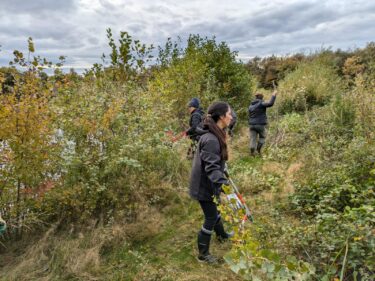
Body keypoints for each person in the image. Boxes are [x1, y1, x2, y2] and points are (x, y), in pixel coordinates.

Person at [189, 101, 234, 263]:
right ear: (221, 117)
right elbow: (212, 169)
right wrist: (225, 187)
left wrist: (224, 171)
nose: (231, 117)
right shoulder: (211, 139)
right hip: (204, 186)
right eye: (229, 114)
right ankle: (203, 255)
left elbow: (216, 162)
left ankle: (222, 235)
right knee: (210, 217)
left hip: (209, 184)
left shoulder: (214, 133)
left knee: (217, 211)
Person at [248, 91, 277, 156]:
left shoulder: (250, 106)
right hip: (260, 124)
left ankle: (252, 152)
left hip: (251, 125)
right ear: (261, 97)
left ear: (255, 97)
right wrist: (273, 95)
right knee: (262, 137)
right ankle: (258, 150)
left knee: (253, 139)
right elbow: (270, 103)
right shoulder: (261, 103)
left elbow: (249, 115)